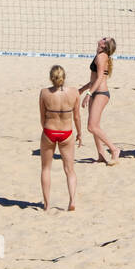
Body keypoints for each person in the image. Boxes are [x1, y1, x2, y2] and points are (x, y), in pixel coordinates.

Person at [38, 65, 81, 211]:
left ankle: (47, 204)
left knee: (46, 168)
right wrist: (80, 133)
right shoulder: (74, 92)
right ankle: (72, 201)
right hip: (66, 132)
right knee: (70, 170)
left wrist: (46, 132)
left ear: (51, 78)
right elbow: (76, 116)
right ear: (64, 77)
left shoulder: (44, 93)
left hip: (50, 131)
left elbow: (42, 117)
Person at [79, 38, 119, 164]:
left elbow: (100, 78)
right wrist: (81, 90)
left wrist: (88, 94)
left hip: (100, 94)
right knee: (95, 126)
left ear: (104, 45)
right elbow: (93, 80)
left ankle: (114, 149)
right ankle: (101, 155)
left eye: (104, 40)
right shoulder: (100, 55)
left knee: (91, 126)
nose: (101, 39)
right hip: (96, 92)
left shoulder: (102, 56)